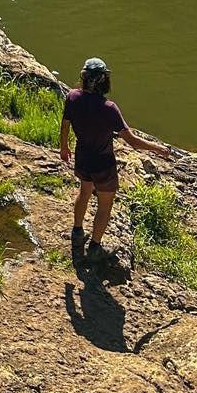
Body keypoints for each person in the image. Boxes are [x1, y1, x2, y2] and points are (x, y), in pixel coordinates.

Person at [61, 58, 172, 260]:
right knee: (105, 205)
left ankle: (77, 233)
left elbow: (65, 123)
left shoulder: (72, 97)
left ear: (84, 78)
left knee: (84, 192)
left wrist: (64, 147)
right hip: (103, 163)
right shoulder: (109, 108)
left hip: (83, 157)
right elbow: (133, 142)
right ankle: (94, 247)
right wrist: (158, 149)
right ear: (103, 80)